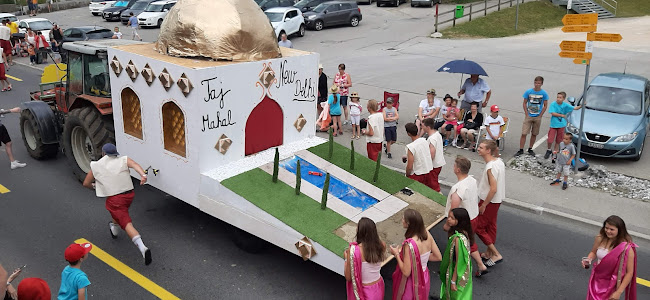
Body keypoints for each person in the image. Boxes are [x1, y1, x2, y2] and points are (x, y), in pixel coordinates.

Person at [82, 143, 152, 265]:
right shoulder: (123, 160)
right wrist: (143, 175)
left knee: (126, 222)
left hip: (115, 199)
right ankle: (114, 228)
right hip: (129, 195)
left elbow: (86, 183)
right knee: (118, 214)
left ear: (103, 153)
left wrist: (95, 187)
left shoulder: (96, 166)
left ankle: (142, 248)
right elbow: (135, 165)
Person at [443, 156, 488, 278]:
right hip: (473, 216)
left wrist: (448, 223)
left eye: (454, 165)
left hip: (462, 221)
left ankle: (456, 268)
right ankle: (480, 265)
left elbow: (454, 208)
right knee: (470, 242)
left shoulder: (458, 189)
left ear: (457, 169)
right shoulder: (472, 180)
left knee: (457, 243)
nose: (453, 167)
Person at [390, 209, 442, 300]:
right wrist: (422, 259)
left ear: (408, 223)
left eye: (403, 219)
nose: (402, 220)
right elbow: (438, 256)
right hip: (424, 276)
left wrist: (396, 254)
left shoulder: (409, 244)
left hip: (411, 281)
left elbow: (406, 272)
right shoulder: (427, 233)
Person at [583, 215, 637, 300]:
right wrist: (588, 259)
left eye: (612, 229)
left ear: (620, 230)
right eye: (606, 228)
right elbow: (593, 252)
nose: (608, 231)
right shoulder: (599, 238)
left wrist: (618, 292)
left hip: (612, 284)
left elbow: (629, 273)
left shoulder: (626, 248)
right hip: (596, 279)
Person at [475, 140, 505, 268]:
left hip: (489, 200)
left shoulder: (490, 167)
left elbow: (493, 188)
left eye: (481, 147)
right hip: (496, 200)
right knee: (491, 226)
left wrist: (484, 204)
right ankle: (488, 253)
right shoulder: (499, 162)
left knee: (479, 227)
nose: (478, 148)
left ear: (488, 151)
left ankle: (496, 254)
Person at [344, 217, 386, 300]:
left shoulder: (354, 251)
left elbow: (348, 277)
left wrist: (347, 259)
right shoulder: (382, 245)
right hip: (378, 286)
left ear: (360, 232)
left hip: (363, 291)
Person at [440, 208, 474, 299]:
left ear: (460, 221)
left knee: (455, 295)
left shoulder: (458, 239)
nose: (448, 219)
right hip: (463, 269)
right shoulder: (464, 232)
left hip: (457, 271)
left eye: (452, 218)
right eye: (449, 216)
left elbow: (459, 262)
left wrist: (453, 281)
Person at [516, 76, 549, 157]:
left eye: (539, 83)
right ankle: (521, 149)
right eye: (536, 83)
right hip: (529, 115)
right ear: (534, 83)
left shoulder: (544, 93)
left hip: (537, 116)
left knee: (534, 133)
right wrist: (526, 113)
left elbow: (545, 105)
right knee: (524, 133)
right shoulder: (529, 92)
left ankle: (531, 148)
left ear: (541, 84)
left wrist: (541, 115)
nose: (537, 84)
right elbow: (524, 102)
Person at [544, 91, 580, 159]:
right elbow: (552, 113)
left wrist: (582, 105)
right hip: (553, 125)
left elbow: (574, 108)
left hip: (561, 125)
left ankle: (555, 152)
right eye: (557, 97)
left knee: (558, 140)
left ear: (563, 99)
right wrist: (561, 115)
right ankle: (548, 150)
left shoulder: (565, 105)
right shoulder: (553, 104)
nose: (558, 99)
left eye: (560, 97)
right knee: (550, 139)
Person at [403, 123, 433, 187]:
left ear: (408, 134)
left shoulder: (411, 147)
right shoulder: (424, 141)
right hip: (428, 171)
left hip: (417, 174)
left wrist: (407, 175)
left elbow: (409, 166)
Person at [423, 118, 445, 192]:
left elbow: (432, 154)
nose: (422, 127)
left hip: (433, 165)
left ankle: (439, 198)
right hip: (439, 163)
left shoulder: (431, 139)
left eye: (423, 126)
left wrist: (427, 165)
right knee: (429, 182)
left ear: (428, 127)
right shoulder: (437, 134)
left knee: (433, 184)